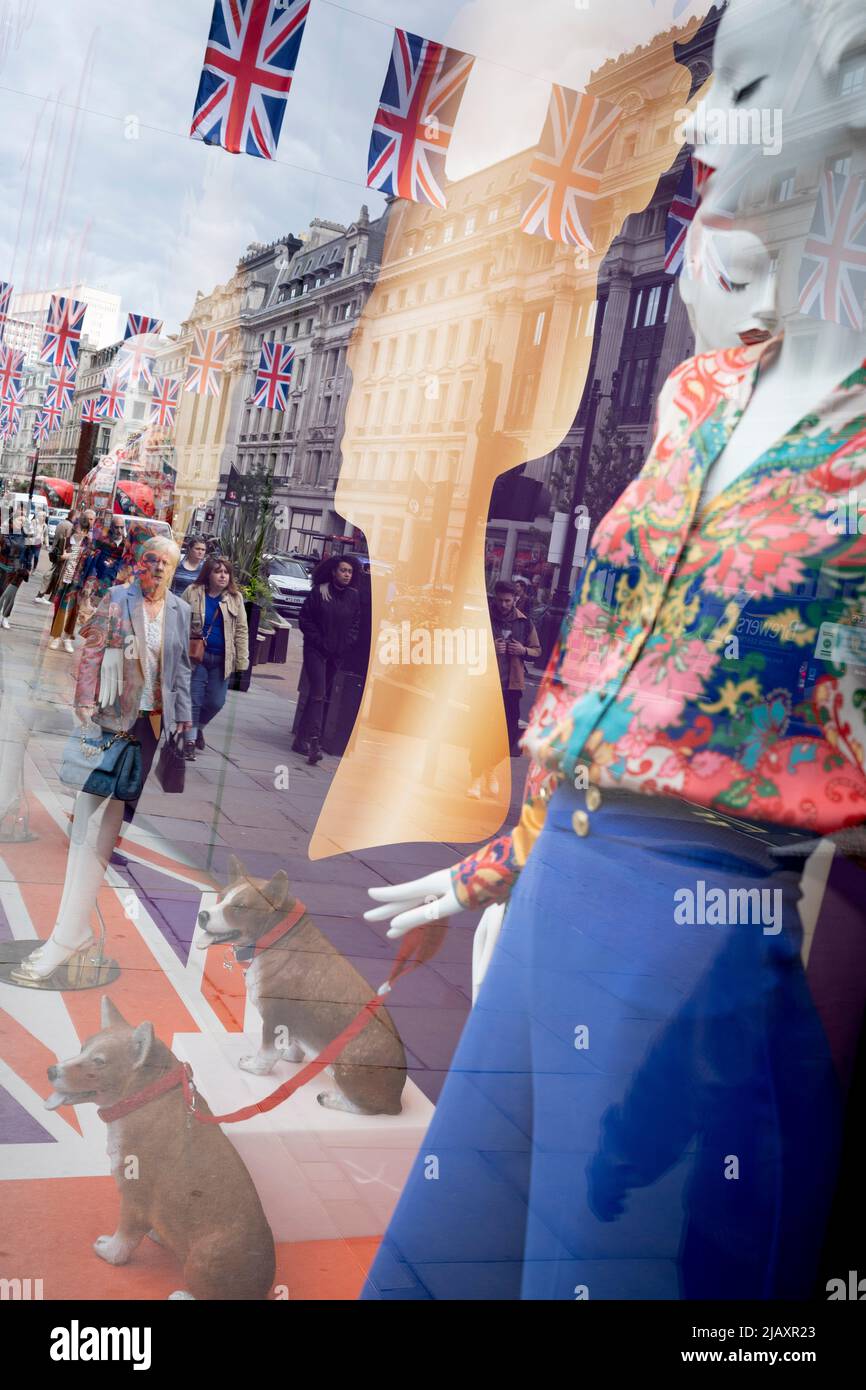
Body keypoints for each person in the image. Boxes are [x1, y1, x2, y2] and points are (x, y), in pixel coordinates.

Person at [360, 0, 866, 1301]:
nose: (696, 120)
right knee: (429, 1275)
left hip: (691, 956)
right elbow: (601, 683)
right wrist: (497, 864)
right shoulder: (703, 391)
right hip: (555, 899)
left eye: (735, 79)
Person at [11, 532, 193, 985]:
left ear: (174, 570)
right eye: (150, 562)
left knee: (110, 823)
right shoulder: (117, 597)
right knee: (87, 823)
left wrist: (184, 718)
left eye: (165, 566)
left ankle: (71, 932)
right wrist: (84, 701)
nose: (156, 572)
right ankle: (66, 933)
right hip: (110, 719)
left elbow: (180, 671)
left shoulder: (179, 610)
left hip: (149, 727)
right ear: (138, 563)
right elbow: (91, 652)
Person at [468, 581, 541, 799]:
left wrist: (523, 649)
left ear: (515, 600)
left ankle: (489, 769)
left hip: (512, 686)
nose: (503, 604)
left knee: (509, 736)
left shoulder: (524, 623)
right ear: (494, 598)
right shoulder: (483, 618)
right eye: (500, 600)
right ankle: (476, 778)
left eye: (508, 601)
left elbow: (537, 651)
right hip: (484, 684)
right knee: (480, 732)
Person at [294, 555, 360, 765]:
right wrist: (318, 640)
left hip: (336, 654)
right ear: (334, 572)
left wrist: (346, 644)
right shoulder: (320, 592)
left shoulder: (353, 596)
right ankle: (315, 741)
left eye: (349, 571)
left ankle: (300, 740)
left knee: (318, 695)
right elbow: (305, 619)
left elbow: (355, 625)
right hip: (316, 651)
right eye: (343, 570)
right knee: (319, 693)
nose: (346, 575)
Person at [182, 555, 249, 760]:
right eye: (218, 571)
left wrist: (242, 661)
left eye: (226, 572)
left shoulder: (235, 599)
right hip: (197, 657)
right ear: (208, 573)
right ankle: (189, 741)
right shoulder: (193, 592)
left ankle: (199, 727)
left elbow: (241, 630)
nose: (222, 575)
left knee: (215, 702)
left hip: (222, 660)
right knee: (194, 699)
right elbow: (179, 621)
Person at [47, 517, 87, 652]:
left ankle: (68, 637)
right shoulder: (66, 541)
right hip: (63, 579)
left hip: (78, 582)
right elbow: (54, 555)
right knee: (59, 608)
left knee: (73, 611)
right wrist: (62, 557)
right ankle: (56, 637)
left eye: (82, 530)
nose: (79, 532)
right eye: (78, 528)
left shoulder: (88, 545)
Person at [36, 508, 78, 604]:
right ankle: (43, 595)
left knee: (54, 573)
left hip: (56, 551)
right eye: (77, 517)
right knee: (55, 574)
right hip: (61, 552)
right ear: (74, 516)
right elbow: (65, 540)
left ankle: (45, 595)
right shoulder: (70, 526)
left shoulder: (62, 523)